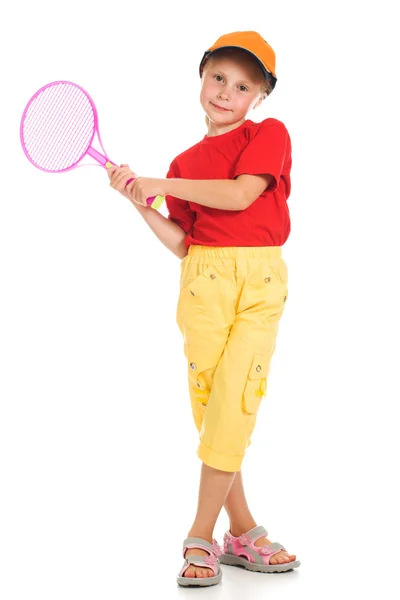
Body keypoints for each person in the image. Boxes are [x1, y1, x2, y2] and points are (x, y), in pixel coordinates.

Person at [107, 30, 300, 587]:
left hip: (260, 280)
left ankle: (199, 534)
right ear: (202, 75)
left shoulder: (270, 134)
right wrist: (137, 200)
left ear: (259, 96)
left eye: (243, 85)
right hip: (204, 282)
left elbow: (241, 195)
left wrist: (160, 182)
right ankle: (243, 531)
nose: (226, 92)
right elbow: (184, 244)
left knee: (238, 397)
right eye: (218, 76)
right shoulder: (185, 161)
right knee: (215, 404)